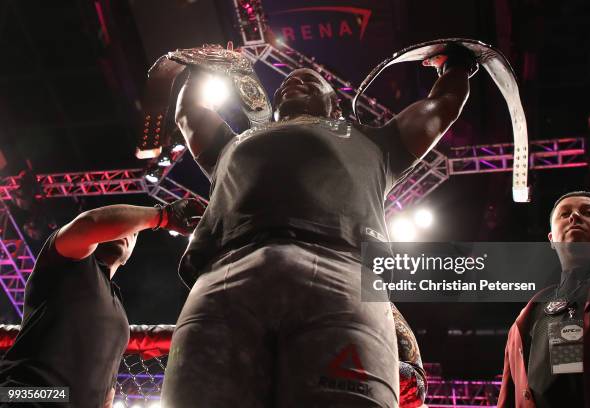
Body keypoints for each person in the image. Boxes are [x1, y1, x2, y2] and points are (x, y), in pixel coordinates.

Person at [162, 44, 476, 407]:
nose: (293, 83)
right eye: (285, 85)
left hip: (341, 273)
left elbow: (442, 107)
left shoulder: (377, 142)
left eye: (309, 81)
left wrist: (457, 64)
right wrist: (202, 67)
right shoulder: (230, 144)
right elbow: (188, 113)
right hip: (227, 272)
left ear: (335, 104)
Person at [0, 199, 204, 408]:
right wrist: (163, 216)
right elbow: (89, 224)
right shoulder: (65, 262)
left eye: (132, 232)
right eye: (121, 225)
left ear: (130, 253)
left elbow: (103, 386)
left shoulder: (118, 309)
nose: (125, 233)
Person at [498, 191, 590, 408]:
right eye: (565, 213)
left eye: (589, 212)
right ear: (551, 239)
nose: (575, 217)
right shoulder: (527, 318)